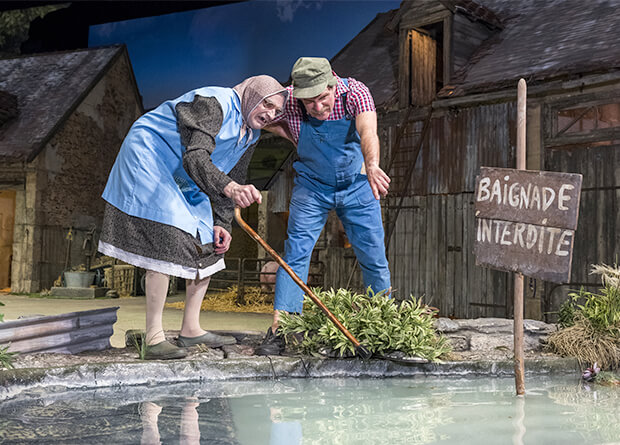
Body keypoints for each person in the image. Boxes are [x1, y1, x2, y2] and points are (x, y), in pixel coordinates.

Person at [98, 75, 287, 360]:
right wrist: (231, 188)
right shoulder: (214, 104)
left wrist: (221, 224)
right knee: (167, 233)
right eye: (267, 104)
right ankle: (153, 337)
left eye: (276, 111)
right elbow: (196, 156)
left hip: (187, 174)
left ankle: (190, 329)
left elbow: (233, 175)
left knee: (209, 242)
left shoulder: (251, 133)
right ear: (251, 96)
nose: (270, 113)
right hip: (151, 156)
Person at [256, 57, 391, 355]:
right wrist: (285, 132)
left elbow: (368, 130)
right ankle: (280, 330)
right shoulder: (287, 100)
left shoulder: (355, 93)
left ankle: (384, 326)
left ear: (332, 83)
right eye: (309, 102)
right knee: (295, 255)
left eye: (322, 98)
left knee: (373, 255)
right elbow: (256, 112)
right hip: (312, 187)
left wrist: (371, 165)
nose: (317, 107)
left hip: (357, 184)